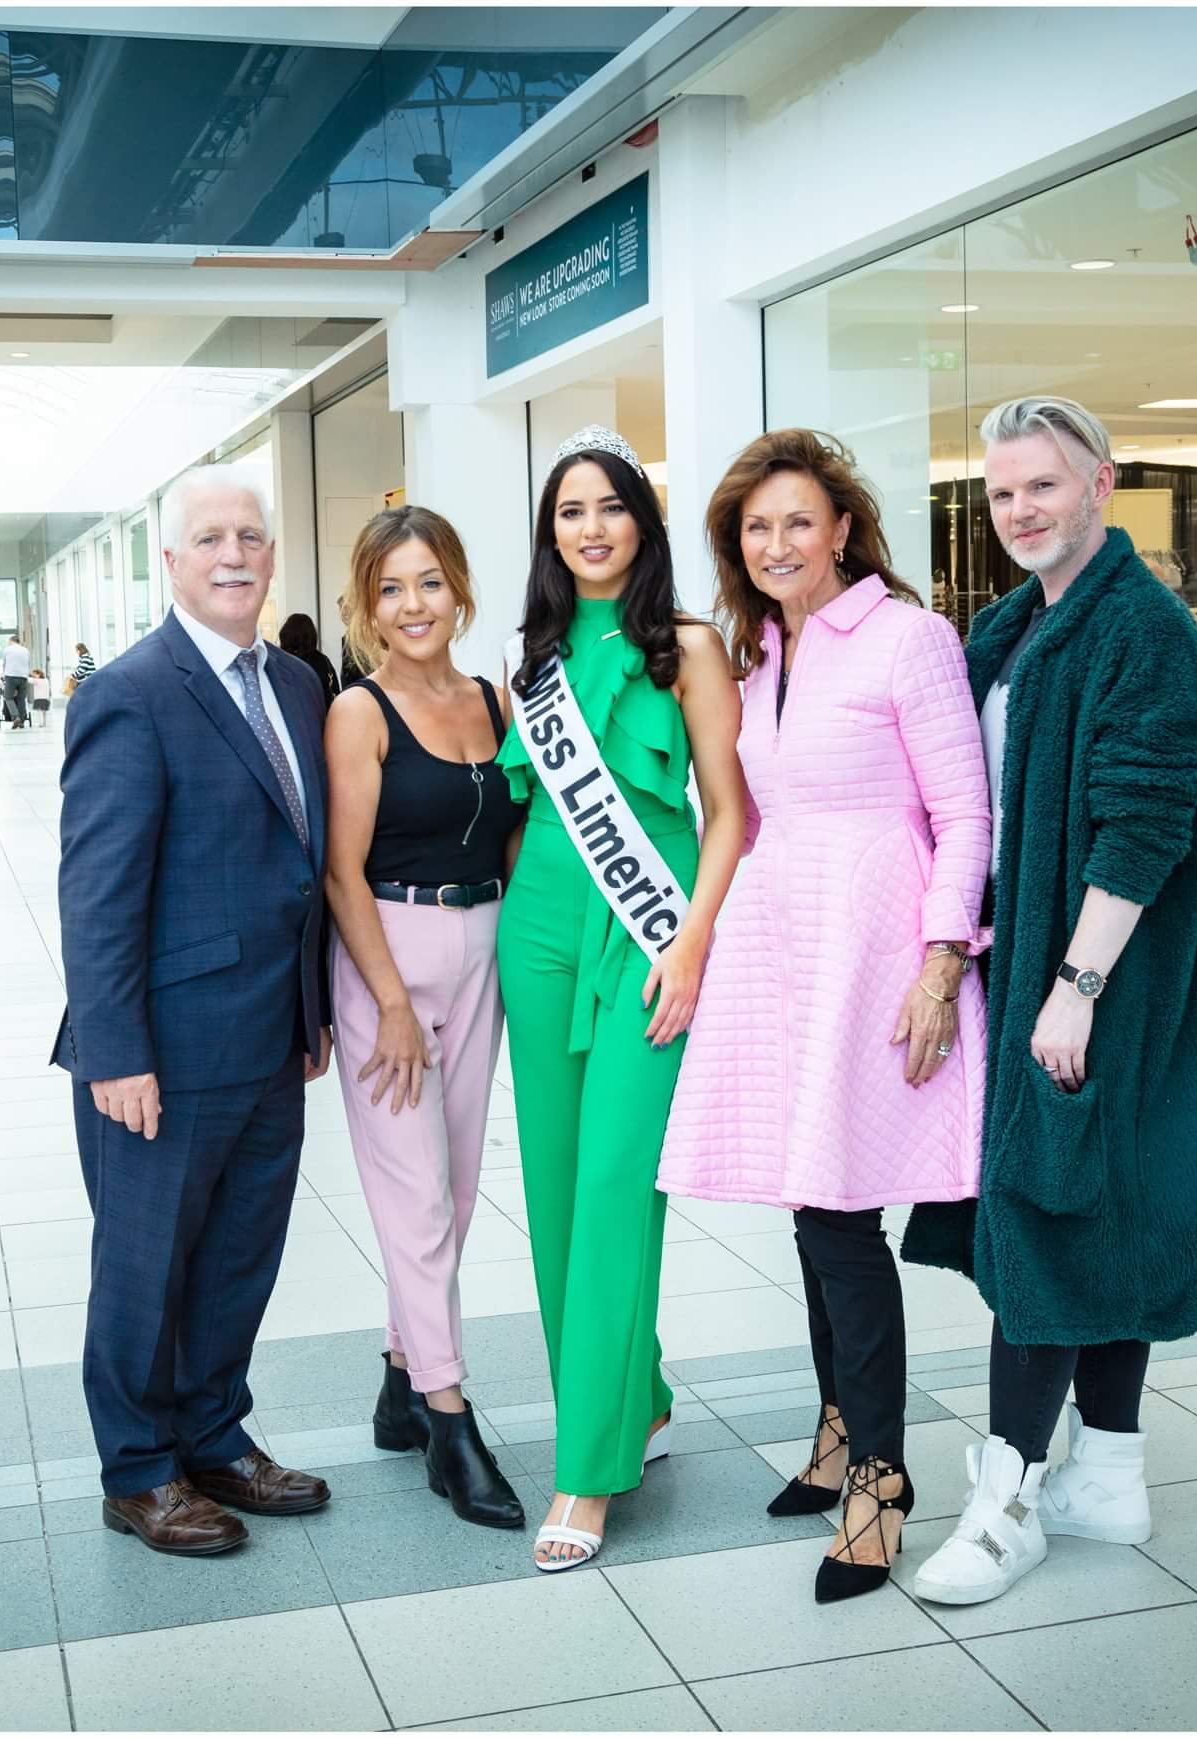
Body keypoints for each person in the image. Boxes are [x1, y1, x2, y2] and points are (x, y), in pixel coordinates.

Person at [902, 396, 1197, 1610]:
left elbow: (1143, 821)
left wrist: (1076, 988)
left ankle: (1005, 1506)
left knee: (1047, 1216)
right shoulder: (1014, 623)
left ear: (1096, 483)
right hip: (1035, 971)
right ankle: (1109, 1473)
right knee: (1104, 1209)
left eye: (1041, 484)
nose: (1018, 510)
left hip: (1106, 983)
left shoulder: (1140, 630)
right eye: (999, 493)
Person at [658, 430, 992, 1604]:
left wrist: (940, 965)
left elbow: (962, 814)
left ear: (841, 528)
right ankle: (838, 1431)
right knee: (811, 1208)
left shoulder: (907, 637)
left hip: (879, 950)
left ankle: (881, 1480)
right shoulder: (753, 652)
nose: (776, 543)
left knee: (842, 1218)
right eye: (755, 528)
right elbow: (742, 811)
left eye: (797, 521)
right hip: (784, 948)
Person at [50, 464, 335, 1557]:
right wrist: (115, 1052)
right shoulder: (130, 690)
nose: (234, 553)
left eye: (251, 535)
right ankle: (138, 1469)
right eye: (210, 536)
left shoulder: (298, 686)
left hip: (268, 1040)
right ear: (170, 561)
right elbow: (98, 892)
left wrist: (307, 1011)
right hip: (158, 1052)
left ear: (272, 555)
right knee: (143, 1264)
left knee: (237, 1255)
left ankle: (214, 1434)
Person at [497, 426, 746, 1571]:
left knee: (612, 1188)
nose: (589, 528)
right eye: (568, 512)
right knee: (553, 1195)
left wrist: (692, 942)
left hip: (649, 934)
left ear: (641, 523)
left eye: (609, 507)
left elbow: (730, 811)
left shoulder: (688, 647)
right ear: (550, 535)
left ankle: (586, 1469)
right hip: (539, 930)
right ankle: (629, 1393)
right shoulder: (533, 660)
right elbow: (523, 817)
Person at [325, 506, 526, 1530]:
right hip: (387, 961)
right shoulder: (359, 712)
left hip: (481, 950)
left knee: (451, 1191)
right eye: (391, 588)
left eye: (429, 582)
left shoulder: (493, 699)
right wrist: (391, 1004)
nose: (414, 605)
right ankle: (450, 1422)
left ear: (458, 587)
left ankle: (401, 1380)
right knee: (414, 1197)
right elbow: (340, 870)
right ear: (367, 604)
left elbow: (514, 836)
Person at [279, 613, 341, 711]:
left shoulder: (278, 661)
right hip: (320, 719)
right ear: (312, 635)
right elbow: (335, 692)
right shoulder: (323, 661)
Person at [2, 634, 31, 728]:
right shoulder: (26, 650)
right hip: (23, 676)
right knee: (21, 699)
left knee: (8, 697)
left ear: (11, 641)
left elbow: (4, 664)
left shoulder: (7, 649)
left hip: (11, 676)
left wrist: (4, 676)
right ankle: (21, 721)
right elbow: (28, 663)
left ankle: (15, 717)